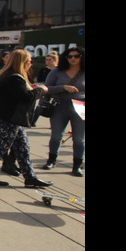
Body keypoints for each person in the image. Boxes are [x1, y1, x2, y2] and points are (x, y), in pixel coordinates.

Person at [0, 49, 52, 188]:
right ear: (22, 62)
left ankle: (29, 176)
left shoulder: (8, 75)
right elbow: (26, 97)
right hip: (8, 117)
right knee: (2, 146)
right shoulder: (13, 77)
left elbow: (19, 94)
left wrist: (30, 89)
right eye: (29, 61)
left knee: (22, 146)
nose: (31, 64)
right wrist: (41, 90)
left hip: (8, 117)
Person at [42, 47, 85, 176]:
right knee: (56, 135)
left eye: (76, 56)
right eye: (69, 56)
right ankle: (51, 160)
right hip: (60, 105)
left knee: (79, 139)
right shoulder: (57, 71)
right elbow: (46, 88)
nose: (73, 59)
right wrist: (63, 87)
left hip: (81, 106)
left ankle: (77, 165)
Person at [31, 52, 59, 126]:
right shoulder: (44, 69)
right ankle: (32, 121)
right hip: (45, 89)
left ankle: (54, 124)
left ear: (55, 60)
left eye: (50, 60)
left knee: (55, 107)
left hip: (55, 89)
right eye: (47, 60)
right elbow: (40, 79)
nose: (48, 61)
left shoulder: (58, 70)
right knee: (41, 105)